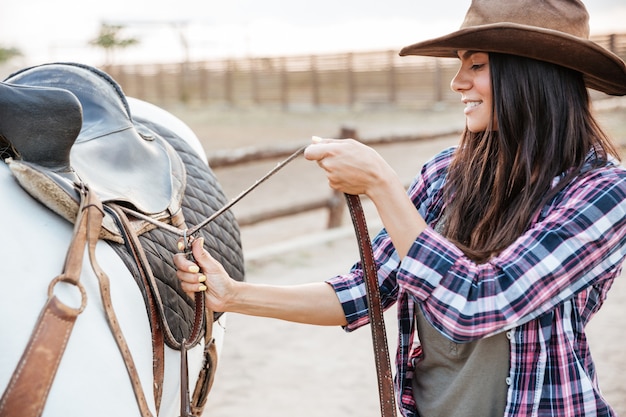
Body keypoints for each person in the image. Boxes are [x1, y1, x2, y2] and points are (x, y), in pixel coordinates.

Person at [173, 0, 626, 415]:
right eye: (459, 65)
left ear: (534, 72)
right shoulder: (446, 175)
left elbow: (480, 303)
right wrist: (231, 295)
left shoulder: (604, 193)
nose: (457, 82)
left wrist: (381, 184)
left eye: (478, 64)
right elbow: (362, 292)